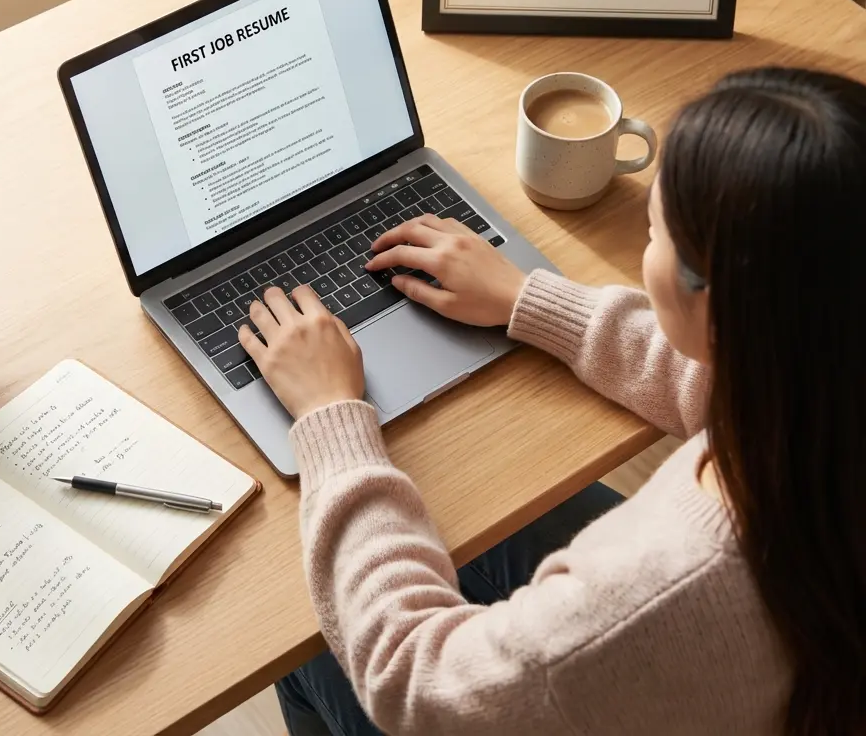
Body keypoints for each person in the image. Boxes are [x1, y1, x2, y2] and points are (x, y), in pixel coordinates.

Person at [237, 66, 866, 736]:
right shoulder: (826, 381)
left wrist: (329, 419)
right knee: (484, 521)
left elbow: (416, 678)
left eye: (654, 232)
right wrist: (526, 299)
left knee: (303, 639)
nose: (647, 243)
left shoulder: (657, 593)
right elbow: (717, 379)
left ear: (721, 305)